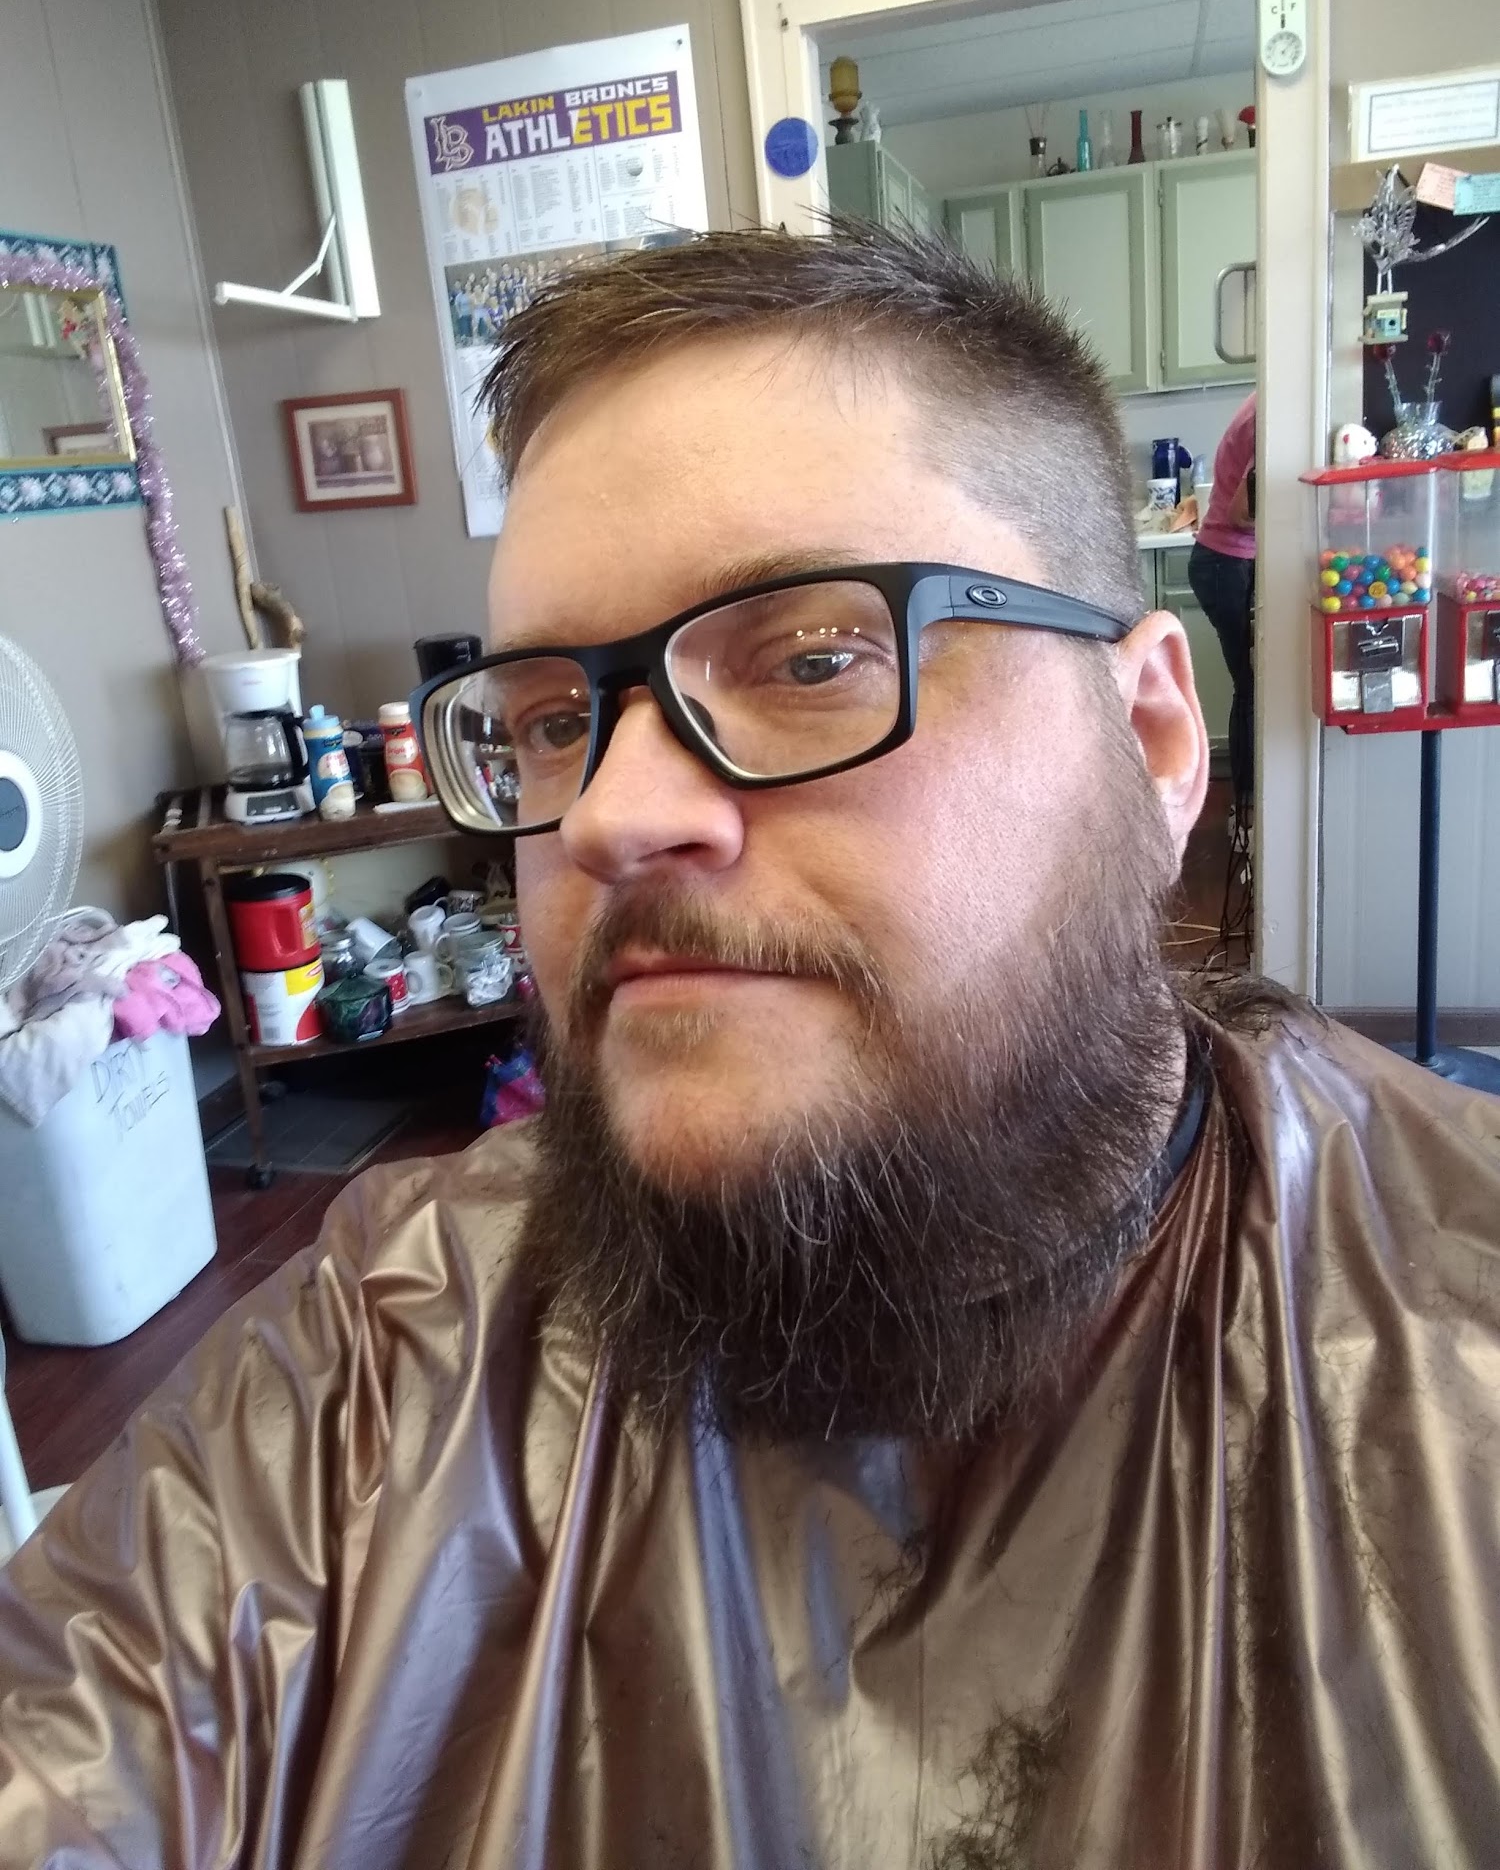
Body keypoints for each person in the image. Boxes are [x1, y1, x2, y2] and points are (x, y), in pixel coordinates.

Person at [3, 226, 1500, 1869]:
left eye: (811, 658)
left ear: (1149, 735)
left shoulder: (1455, 1351)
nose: (610, 817)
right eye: (553, 720)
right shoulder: (378, 1367)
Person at [1187, 389, 1257, 809]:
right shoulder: (1271, 411)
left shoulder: (1262, 403)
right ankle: (1247, 810)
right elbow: (1242, 513)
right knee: (1252, 688)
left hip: (1224, 562)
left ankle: (1248, 807)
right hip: (1226, 564)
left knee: (1252, 686)